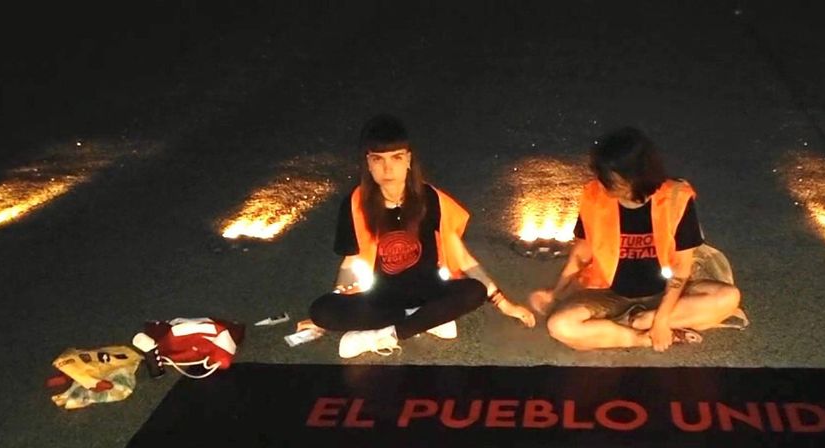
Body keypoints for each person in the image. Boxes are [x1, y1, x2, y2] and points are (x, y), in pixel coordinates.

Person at [309, 114, 534, 358]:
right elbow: (350, 263)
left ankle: (388, 334)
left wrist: (504, 303)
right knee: (321, 311)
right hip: (383, 299)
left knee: (474, 291)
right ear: (368, 163)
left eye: (396, 157)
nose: (388, 168)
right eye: (378, 159)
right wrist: (337, 299)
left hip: (430, 290)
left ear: (408, 159)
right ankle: (424, 320)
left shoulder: (430, 198)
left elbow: (462, 257)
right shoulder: (355, 204)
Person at [529, 127, 742, 352]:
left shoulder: (676, 197)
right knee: (560, 326)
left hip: (668, 292)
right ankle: (641, 338)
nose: (602, 182)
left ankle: (643, 322)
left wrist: (661, 318)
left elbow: (681, 266)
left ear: (636, 175)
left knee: (728, 297)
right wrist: (556, 292)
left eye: (610, 177)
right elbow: (581, 254)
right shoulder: (594, 196)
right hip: (610, 293)